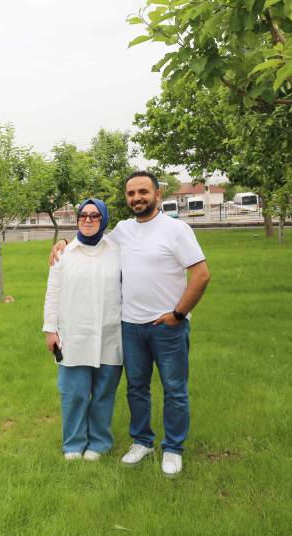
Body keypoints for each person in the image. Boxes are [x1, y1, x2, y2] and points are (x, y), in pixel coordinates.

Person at [50, 171, 209, 476]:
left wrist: (178, 315)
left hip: (167, 327)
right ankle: (142, 441)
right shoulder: (123, 230)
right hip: (130, 327)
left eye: (143, 192)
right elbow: (92, 240)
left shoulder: (177, 230)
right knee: (136, 388)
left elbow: (201, 274)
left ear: (157, 195)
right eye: (131, 193)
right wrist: (63, 241)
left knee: (174, 388)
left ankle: (173, 448)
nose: (137, 198)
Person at [42, 198, 123, 461]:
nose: (87, 220)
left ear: (104, 219)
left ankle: (99, 442)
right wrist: (50, 329)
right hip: (73, 333)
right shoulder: (64, 253)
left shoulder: (117, 249)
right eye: (83, 215)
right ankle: (74, 443)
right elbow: (52, 293)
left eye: (94, 215)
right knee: (74, 393)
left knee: (103, 393)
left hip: (110, 333)